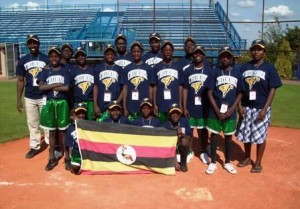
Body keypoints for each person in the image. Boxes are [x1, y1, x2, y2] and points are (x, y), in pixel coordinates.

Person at [237, 39, 282, 173]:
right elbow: (240, 88)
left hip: (261, 107)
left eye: (259, 49)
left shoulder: (269, 68)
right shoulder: (245, 67)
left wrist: (264, 109)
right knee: (246, 135)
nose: (256, 52)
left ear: (264, 52)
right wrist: (239, 106)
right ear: (251, 51)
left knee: (260, 136)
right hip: (246, 107)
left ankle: (258, 162)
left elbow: (273, 89)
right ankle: (246, 158)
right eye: (254, 49)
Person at [205, 46, 243, 174]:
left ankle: (227, 162)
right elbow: (209, 92)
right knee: (214, 136)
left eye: (227, 56)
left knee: (228, 138)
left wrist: (232, 109)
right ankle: (213, 162)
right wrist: (216, 110)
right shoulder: (214, 72)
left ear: (231, 57)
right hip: (215, 111)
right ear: (220, 57)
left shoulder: (237, 73)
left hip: (230, 112)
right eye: (223, 56)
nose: (225, 58)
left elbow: (240, 93)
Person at [16, 34, 49, 159]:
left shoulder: (46, 59)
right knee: (32, 123)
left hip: (44, 95)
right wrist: (18, 99)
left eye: (34, 43)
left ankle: (50, 144)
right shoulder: (23, 60)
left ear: (39, 44)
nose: (32, 45)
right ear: (27, 45)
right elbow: (20, 80)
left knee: (47, 122)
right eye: (30, 43)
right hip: (29, 96)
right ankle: (35, 146)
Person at [38, 47, 70, 171]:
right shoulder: (45, 70)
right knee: (51, 132)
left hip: (62, 103)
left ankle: (67, 157)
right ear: (49, 58)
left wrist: (48, 86)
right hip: (50, 103)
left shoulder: (64, 70)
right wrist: (57, 85)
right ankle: (51, 158)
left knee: (63, 131)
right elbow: (41, 88)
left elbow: (66, 88)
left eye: (56, 56)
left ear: (60, 57)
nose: (54, 58)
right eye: (51, 56)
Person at [183, 46, 213, 165]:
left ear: (204, 55)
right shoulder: (188, 70)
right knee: (189, 130)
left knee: (203, 131)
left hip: (203, 107)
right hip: (190, 105)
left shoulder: (209, 70)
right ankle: (189, 150)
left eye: (200, 53)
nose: (198, 55)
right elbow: (185, 89)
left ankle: (203, 150)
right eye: (196, 53)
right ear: (193, 55)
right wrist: (184, 106)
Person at [123, 41, 155, 121]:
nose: (136, 53)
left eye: (138, 51)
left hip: (145, 106)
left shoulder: (148, 68)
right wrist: (124, 107)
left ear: (142, 52)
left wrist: (151, 102)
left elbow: (150, 87)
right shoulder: (127, 68)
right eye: (134, 52)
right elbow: (125, 88)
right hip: (130, 105)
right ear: (131, 53)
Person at [153, 40, 184, 123]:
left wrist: (180, 103)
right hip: (161, 103)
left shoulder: (178, 66)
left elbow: (180, 86)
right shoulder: (157, 67)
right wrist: (155, 104)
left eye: (170, 50)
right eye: (166, 50)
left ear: (173, 51)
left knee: (174, 127)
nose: (168, 52)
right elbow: (154, 87)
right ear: (162, 51)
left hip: (174, 103)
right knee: (161, 127)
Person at [94, 44, 124, 122]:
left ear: (115, 55)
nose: (110, 56)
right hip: (101, 105)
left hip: (114, 106)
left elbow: (124, 87)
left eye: (112, 54)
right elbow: (95, 86)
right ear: (104, 55)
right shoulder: (98, 68)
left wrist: (118, 100)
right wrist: (95, 105)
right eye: (108, 54)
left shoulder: (119, 69)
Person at [163, 103, 192, 172]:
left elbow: (189, 138)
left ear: (180, 114)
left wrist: (182, 134)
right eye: (173, 113)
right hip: (170, 148)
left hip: (181, 146)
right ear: (169, 115)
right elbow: (166, 143)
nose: (175, 115)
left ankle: (183, 163)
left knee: (185, 141)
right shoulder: (165, 124)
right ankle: (172, 161)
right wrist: (175, 161)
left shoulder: (184, 121)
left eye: (177, 113)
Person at [69, 47, 95, 120]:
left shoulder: (92, 70)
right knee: (78, 125)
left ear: (86, 56)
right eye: (78, 56)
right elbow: (70, 90)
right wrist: (72, 106)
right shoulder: (72, 71)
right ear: (76, 58)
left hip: (90, 102)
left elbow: (96, 87)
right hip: (78, 102)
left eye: (82, 55)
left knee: (90, 125)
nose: (80, 57)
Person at [64, 102, 87, 173]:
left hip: (87, 152)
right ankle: (74, 161)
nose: (81, 115)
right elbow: (66, 145)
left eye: (83, 113)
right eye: (78, 114)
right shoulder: (70, 129)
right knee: (75, 168)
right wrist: (67, 158)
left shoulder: (89, 126)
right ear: (74, 116)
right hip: (76, 152)